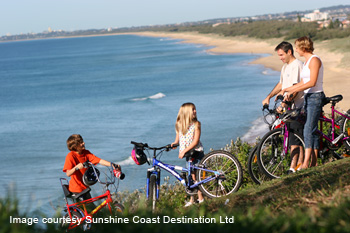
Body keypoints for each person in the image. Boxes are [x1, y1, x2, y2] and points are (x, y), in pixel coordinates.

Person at [279, 36, 325, 169]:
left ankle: (305, 163)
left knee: (308, 129)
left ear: (304, 47)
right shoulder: (306, 62)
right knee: (313, 130)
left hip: (315, 97)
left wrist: (294, 89)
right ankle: (314, 162)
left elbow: (312, 82)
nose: (296, 51)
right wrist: (288, 89)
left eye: (298, 48)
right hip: (308, 97)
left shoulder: (314, 60)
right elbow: (303, 82)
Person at [262, 41, 304, 174]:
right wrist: (268, 97)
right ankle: (297, 166)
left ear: (289, 52)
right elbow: (281, 84)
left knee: (294, 138)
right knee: (292, 135)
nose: (280, 57)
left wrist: (284, 103)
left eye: (281, 55)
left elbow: (296, 88)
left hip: (297, 106)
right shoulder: (286, 67)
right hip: (288, 106)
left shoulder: (296, 65)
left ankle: (295, 167)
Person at [63, 134, 121, 201]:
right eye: (81, 143)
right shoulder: (70, 156)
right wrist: (76, 167)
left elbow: (99, 160)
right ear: (75, 146)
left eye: (83, 141)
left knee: (93, 210)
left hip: (85, 188)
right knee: (89, 210)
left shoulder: (86, 153)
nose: (83, 143)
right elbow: (68, 173)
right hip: (76, 190)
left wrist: (112, 165)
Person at [171, 103, 204, 207]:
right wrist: (174, 144)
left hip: (196, 152)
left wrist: (184, 150)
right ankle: (192, 199)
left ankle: (201, 198)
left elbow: (195, 141)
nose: (195, 111)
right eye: (193, 109)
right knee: (190, 177)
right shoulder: (179, 124)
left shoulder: (196, 124)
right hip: (187, 154)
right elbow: (178, 138)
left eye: (195, 109)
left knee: (195, 176)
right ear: (186, 112)